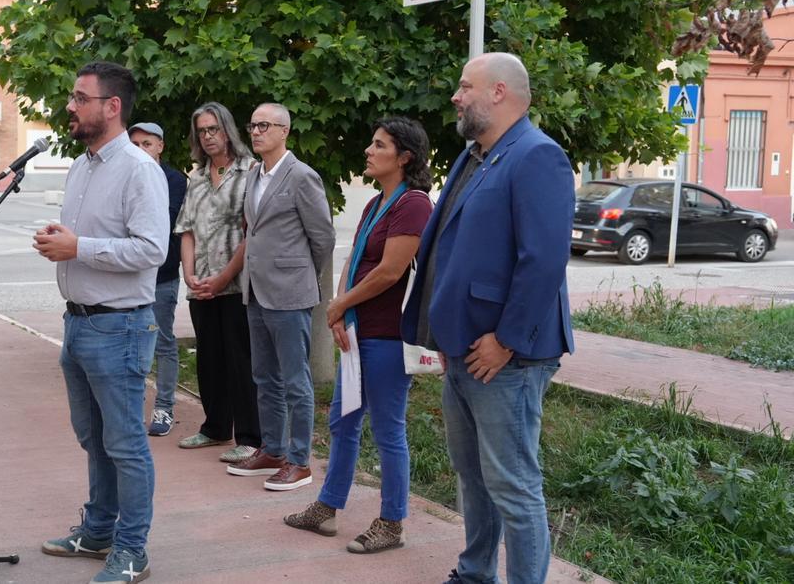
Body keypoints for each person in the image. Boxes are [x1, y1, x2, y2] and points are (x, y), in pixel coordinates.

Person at [400, 52, 575, 584]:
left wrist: (506, 339)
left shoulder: (538, 156)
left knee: (513, 486)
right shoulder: (474, 155)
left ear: (499, 92)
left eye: (465, 86)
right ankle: (475, 573)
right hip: (464, 346)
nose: (456, 97)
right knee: (472, 478)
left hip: (506, 356)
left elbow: (543, 261)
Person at [34, 61, 169, 584]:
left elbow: (151, 249)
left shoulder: (139, 168)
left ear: (112, 107)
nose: (70, 106)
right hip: (78, 323)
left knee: (126, 444)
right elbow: (91, 238)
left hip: (119, 328)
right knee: (94, 438)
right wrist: (63, 240)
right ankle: (98, 532)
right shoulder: (82, 165)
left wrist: (79, 247)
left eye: (79, 98)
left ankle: (132, 550)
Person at [284, 117, 433, 553]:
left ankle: (392, 523)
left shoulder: (414, 204)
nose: (368, 150)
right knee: (343, 421)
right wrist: (339, 309)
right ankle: (327, 508)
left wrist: (341, 305)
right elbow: (354, 261)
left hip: (388, 337)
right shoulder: (374, 203)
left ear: (404, 157)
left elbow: (390, 271)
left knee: (388, 430)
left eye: (379, 145)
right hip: (356, 331)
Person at [228, 102, 335, 491]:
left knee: (294, 380)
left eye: (265, 126)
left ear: (284, 131)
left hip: (290, 292)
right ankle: (272, 450)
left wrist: (300, 274)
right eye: (253, 125)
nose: (256, 132)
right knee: (264, 376)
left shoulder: (302, 176)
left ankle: (299, 460)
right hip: (256, 290)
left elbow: (322, 237)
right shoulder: (254, 174)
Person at [172, 102, 262, 464]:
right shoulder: (196, 178)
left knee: (241, 361)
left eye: (214, 129)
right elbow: (187, 230)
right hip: (201, 286)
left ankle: (250, 437)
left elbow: (252, 233)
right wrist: (189, 274)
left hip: (236, 284)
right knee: (209, 360)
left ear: (228, 130)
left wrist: (223, 277)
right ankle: (215, 427)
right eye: (202, 131)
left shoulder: (250, 172)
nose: (208, 137)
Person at [127, 121, 188, 437]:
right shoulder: (123, 176)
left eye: (147, 144)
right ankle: (132, 408)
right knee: (129, 342)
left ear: (161, 146)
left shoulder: (174, 180)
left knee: (162, 342)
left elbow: (162, 221)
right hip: (126, 276)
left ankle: (164, 408)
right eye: (135, 145)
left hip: (161, 277)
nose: (140, 150)